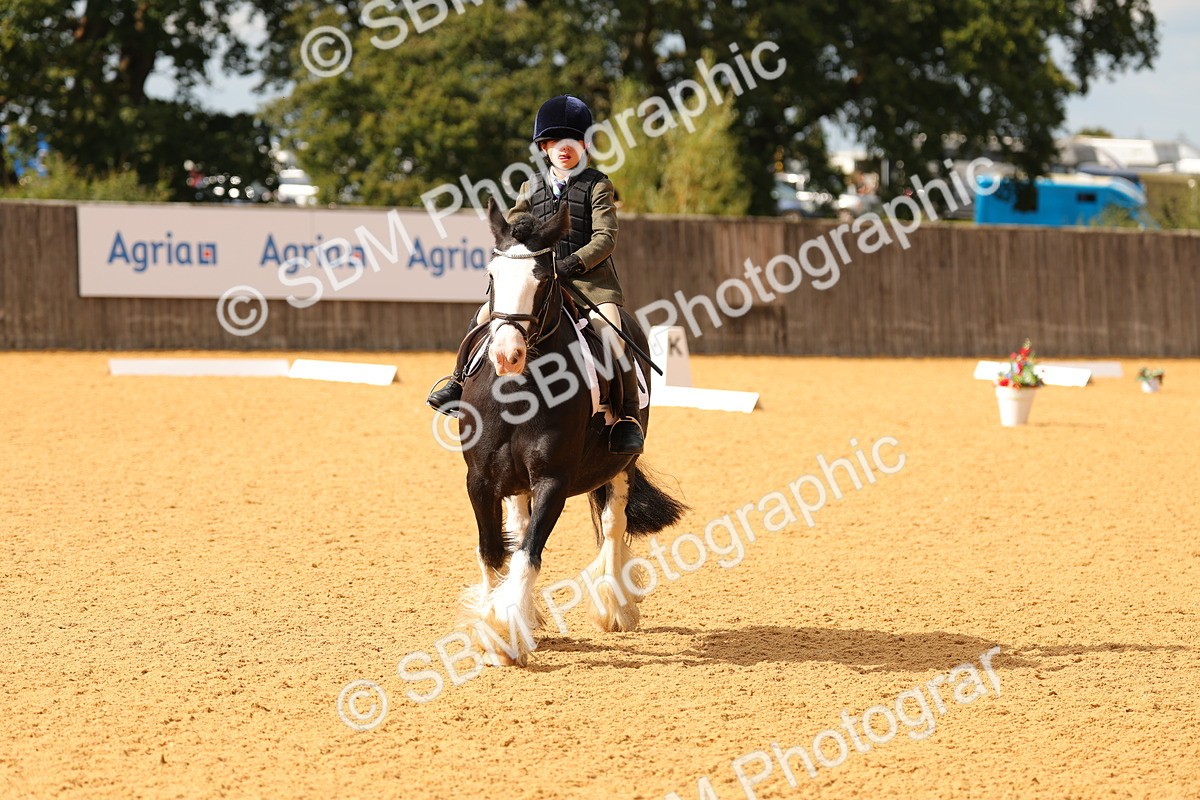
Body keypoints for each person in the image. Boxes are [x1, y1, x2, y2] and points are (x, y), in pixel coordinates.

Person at [427, 94, 644, 455]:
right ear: (545, 146)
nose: (564, 149)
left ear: (584, 144)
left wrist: (570, 264)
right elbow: (515, 227)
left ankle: (626, 417)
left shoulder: (598, 185)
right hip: (538, 281)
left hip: (588, 282)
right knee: (483, 317)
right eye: (555, 142)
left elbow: (605, 238)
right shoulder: (532, 186)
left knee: (612, 332)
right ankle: (457, 382)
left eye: (571, 141)